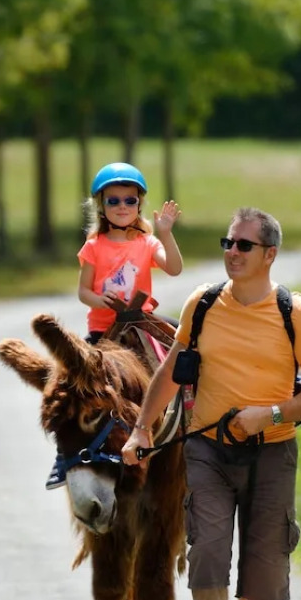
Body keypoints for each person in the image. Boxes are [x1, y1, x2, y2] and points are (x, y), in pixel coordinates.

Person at [121, 207, 301, 600]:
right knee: (209, 550)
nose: (231, 253)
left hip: (273, 450)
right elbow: (172, 372)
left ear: (270, 254)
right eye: (228, 243)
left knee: (264, 561)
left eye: (243, 245)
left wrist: (274, 412)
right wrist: (140, 429)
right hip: (207, 448)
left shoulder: (295, 312)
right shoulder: (202, 304)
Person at [46, 161, 183, 489]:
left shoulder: (148, 243)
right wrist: (99, 301)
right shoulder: (94, 246)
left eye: (129, 200)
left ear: (139, 205)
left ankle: (189, 420)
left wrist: (165, 233)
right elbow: (83, 291)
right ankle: (62, 459)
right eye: (113, 201)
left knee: (185, 349)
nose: (122, 207)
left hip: (141, 322)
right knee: (73, 387)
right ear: (101, 206)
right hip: (103, 330)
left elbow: (175, 268)